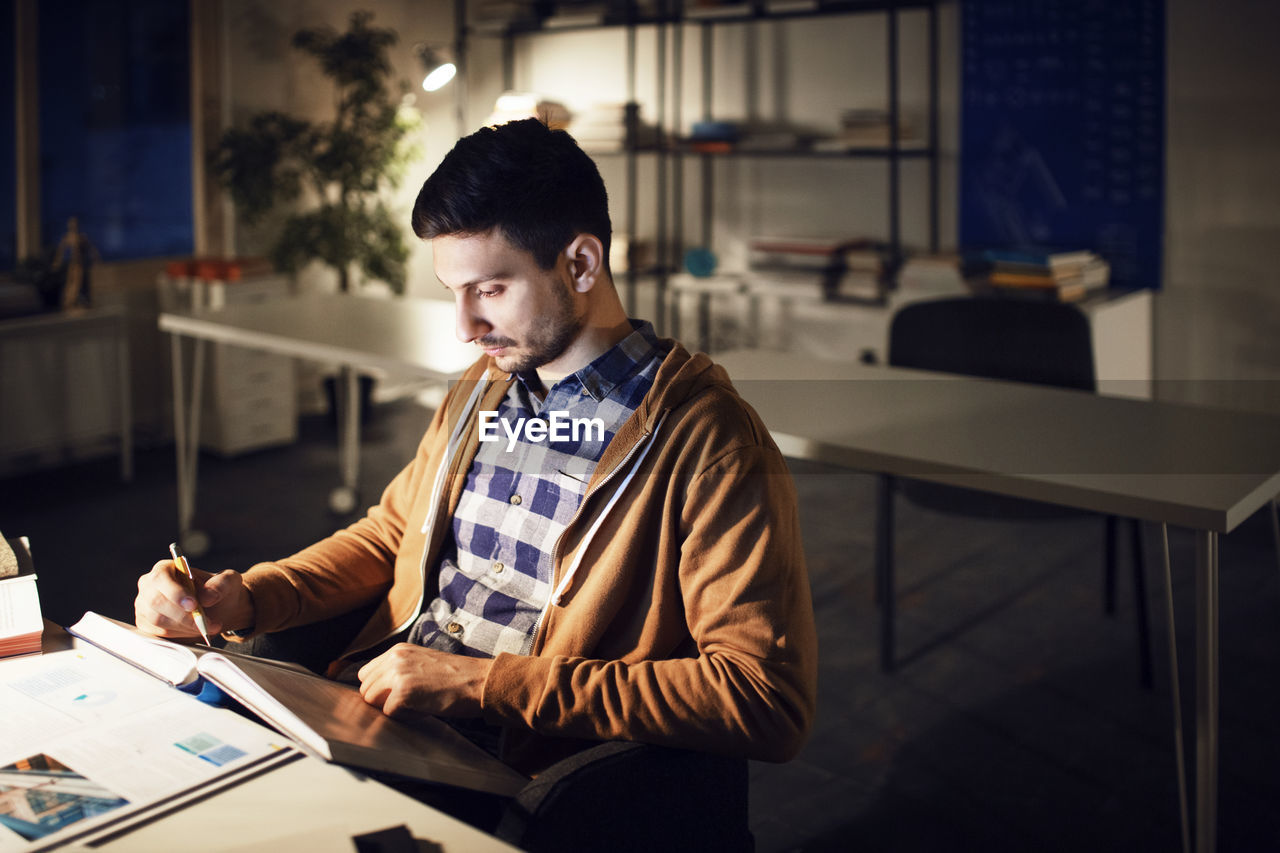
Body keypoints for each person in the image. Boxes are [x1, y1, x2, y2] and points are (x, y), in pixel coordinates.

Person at [135, 118, 817, 778]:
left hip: (514, 767)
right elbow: (393, 535)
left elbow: (763, 699)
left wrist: (484, 683)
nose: (465, 326)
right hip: (376, 717)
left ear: (581, 262)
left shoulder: (709, 442)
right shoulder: (483, 387)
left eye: (490, 289)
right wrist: (250, 595)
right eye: (453, 293)